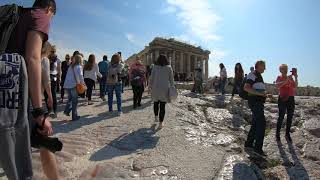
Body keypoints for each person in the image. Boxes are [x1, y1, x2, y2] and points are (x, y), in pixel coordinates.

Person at [1, 1, 56, 179]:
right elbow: (32, 58)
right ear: (50, 10)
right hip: (16, 85)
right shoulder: (41, 15)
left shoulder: (18, 17)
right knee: (36, 137)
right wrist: (39, 110)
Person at [39, 41, 60, 180]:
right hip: (36, 101)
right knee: (44, 143)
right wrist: (51, 97)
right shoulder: (44, 60)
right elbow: (46, 80)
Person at [244, 60, 271, 156]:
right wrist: (260, 94)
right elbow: (246, 88)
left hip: (258, 102)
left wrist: (265, 94)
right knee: (262, 123)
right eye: (264, 66)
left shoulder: (258, 75)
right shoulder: (253, 74)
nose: (265, 68)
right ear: (259, 66)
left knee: (255, 123)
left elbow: (256, 89)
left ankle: (249, 144)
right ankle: (258, 148)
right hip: (255, 102)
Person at [149, 55, 174, 129]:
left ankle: (156, 117)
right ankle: (161, 123)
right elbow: (171, 79)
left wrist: (150, 86)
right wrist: (172, 86)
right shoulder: (169, 67)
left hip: (156, 88)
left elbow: (151, 78)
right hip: (164, 88)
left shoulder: (155, 67)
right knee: (162, 106)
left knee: (156, 103)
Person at [275, 64, 298, 142]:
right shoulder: (279, 77)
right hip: (282, 98)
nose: (285, 70)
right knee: (281, 116)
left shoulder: (290, 77)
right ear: (280, 70)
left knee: (290, 116)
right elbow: (277, 86)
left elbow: (295, 86)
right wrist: (286, 81)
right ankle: (277, 134)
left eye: (286, 69)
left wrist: (296, 77)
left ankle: (287, 134)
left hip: (291, 98)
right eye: (284, 69)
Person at [63, 53, 84, 121]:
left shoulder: (71, 66)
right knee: (75, 101)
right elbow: (80, 77)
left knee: (70, 99)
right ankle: (74, 116)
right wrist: (83, 83)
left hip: (67, 85)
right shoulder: (79, 66)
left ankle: (66, 111)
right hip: (74, 85)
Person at [44, 45, 61, 118]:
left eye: (53, 51)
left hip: (53, 78)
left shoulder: (58, 60)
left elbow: (59, 70)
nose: (52, 53)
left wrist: (59, 79)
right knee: (46, 94)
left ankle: (55, 111)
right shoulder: (46, 59)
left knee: (53, 95)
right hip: (46, 77)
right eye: (51, 51)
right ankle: (49, 110)